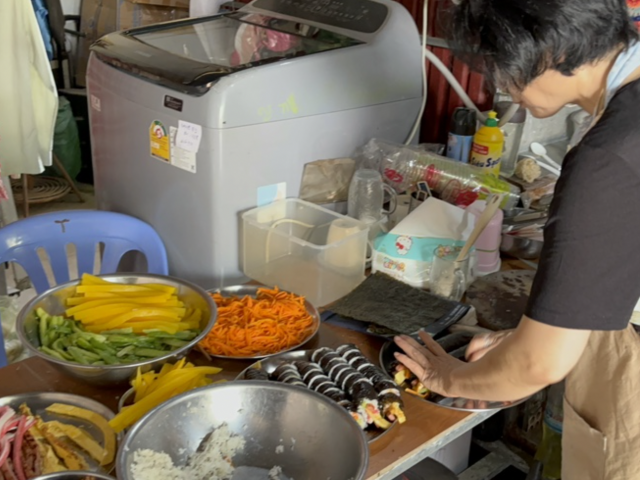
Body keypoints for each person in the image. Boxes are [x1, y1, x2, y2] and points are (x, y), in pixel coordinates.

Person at [394, 1, 640, 479]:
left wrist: (450, 376)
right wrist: (534, 334)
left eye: (499, 67)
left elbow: (538, 364)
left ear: (547, 51)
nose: (498, 87)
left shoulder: (609, 158)